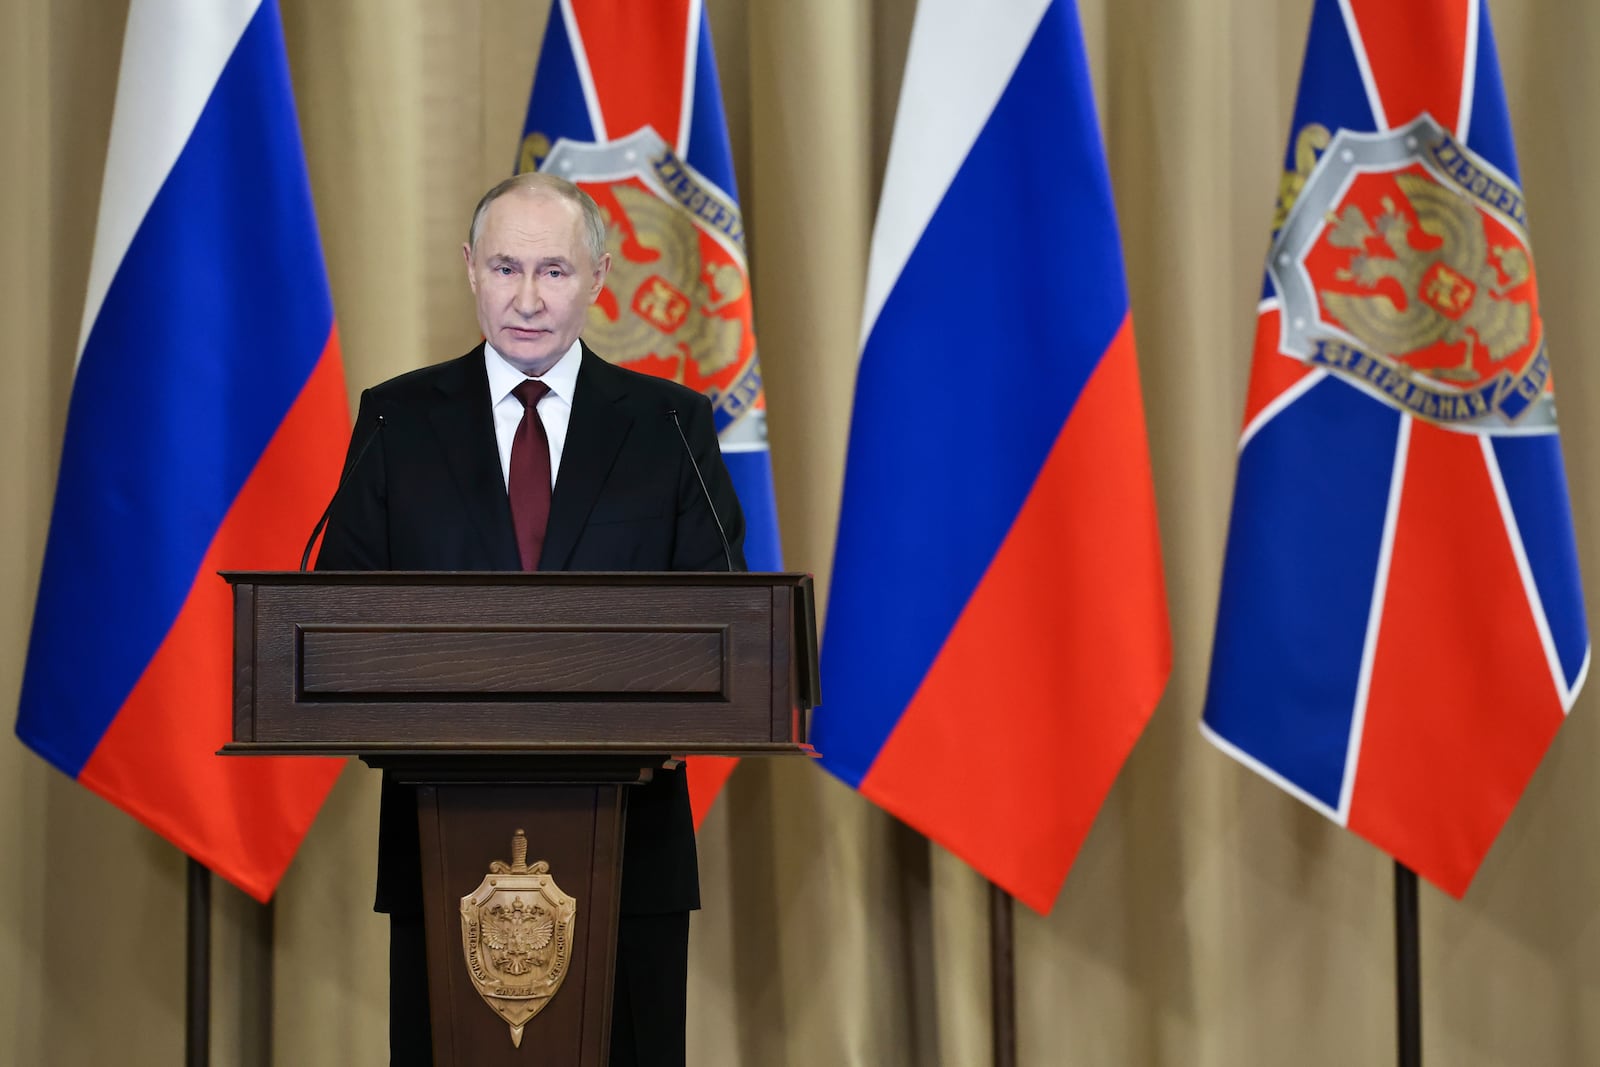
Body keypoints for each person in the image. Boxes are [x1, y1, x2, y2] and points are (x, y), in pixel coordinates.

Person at [315, 171, 746, 1066]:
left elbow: (726, 620)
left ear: (599, 275)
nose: (526, 297)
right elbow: (340, 617)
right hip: (444, 851)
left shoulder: (670, 426)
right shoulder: (396, 418)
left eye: (553, 270)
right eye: (506, 266)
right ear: (469, 269)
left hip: (633, 854)